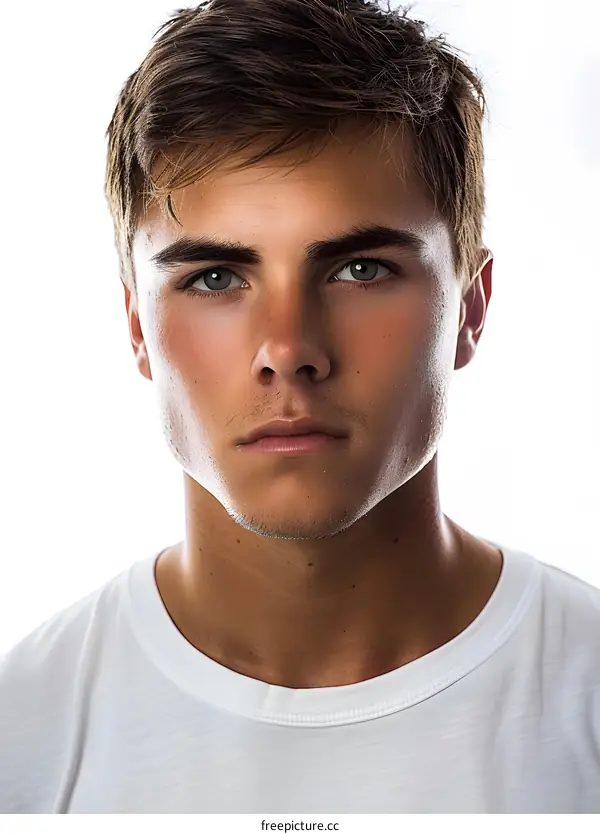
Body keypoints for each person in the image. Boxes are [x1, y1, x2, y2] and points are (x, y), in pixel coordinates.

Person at [1, 0, 598, 815]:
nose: (287, 349)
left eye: (359, 270)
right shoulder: (23, 742)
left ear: (471, 305)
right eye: (216, 278)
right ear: (137, 327)